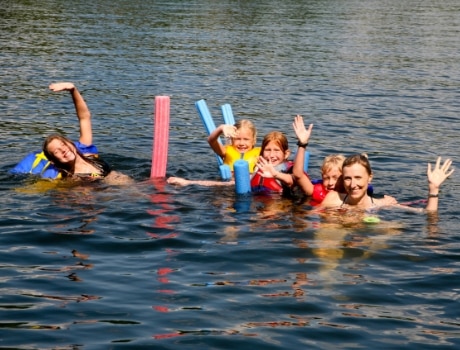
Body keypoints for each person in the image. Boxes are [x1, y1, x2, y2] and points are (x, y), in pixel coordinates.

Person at [12, 82, 132, 185]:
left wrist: (73, 89)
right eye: (56, 152)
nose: (63, 150)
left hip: (123, 184)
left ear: (71, 144)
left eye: (63, 145)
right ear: (53, 161)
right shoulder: (68, 178)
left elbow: (84, 117)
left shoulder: (86, 151)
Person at [320, 153, 454, 212]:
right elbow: (311, 217)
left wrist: (434, 189)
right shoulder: (333, 199)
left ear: (370, 177)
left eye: (358, 177)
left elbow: (427, 214)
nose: (353, 184)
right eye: (348, 178)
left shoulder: (383, 204)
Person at [167, 119, 260, 186]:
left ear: (254, 141)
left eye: (246, 139)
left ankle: (187, 183)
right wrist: (221, 128)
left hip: (250, 183)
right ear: (231, 139)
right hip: (226, 183)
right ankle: (186, 182)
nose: (242, 143)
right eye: (238, 139)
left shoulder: (260, 153)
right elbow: (211, 140)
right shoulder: (226, 151)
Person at [292, 115, 345, 205]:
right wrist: (302, 144)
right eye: (326, 178)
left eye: (335, 178)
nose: (330, 183)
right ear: (322, 177)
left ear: (344, 178)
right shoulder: (315, 191)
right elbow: (298, 174)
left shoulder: (350, 195)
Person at [250, 131, 294, 195]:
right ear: (262, 152)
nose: (271, 155)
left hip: (280, 201)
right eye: (267, 150)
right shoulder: (258, 167)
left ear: (286, 154)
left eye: (276, 150)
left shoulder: (289, 170)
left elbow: (291, 181)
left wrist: (276, 174)